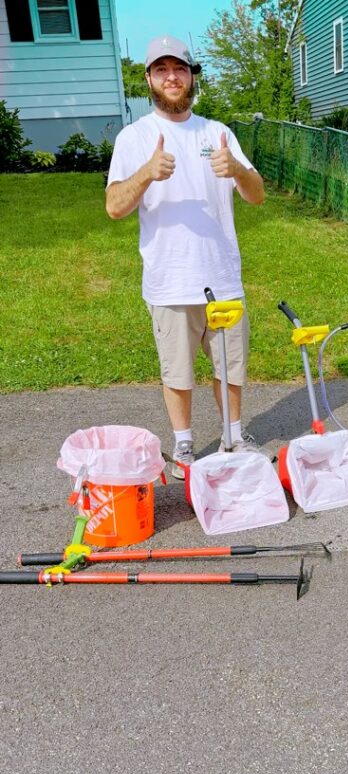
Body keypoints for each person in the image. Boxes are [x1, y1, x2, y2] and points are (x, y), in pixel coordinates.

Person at [106, 35, 266, 478]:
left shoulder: (218, 132)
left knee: (229, 367)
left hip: (223, 277)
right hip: (170, 280)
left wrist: (236, 168)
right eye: (162, 69)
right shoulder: (134, 138)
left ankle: (234, 436)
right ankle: (184, 447)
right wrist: (146, 173)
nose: (172, 77)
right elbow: (114, 206)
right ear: (149, 80)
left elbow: (256, 196)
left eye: (180, 68)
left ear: (192, 76)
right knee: (177, 373)